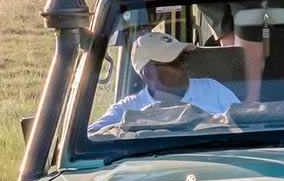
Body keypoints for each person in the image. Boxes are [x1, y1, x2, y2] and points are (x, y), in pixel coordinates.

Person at [89, 32, 239, 132]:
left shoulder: (212, 89)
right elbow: (92, 137)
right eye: (173, 61)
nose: (183, 65)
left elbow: (245, 124)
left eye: (184, 57)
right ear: (148, 73)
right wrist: (136, 120)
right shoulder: (126, 109)